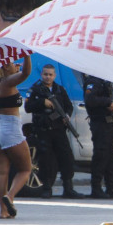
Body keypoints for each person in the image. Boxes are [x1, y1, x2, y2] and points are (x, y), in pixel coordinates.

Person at [24, 64, 84, 199]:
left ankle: (68, 188)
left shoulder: (59, 89)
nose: (48, 77)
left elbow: (68, 106)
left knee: (66, 158)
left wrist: (67, 116)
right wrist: (42, 103)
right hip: (43, 130)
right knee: (46, 160)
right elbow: (28, 107)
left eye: (50, 74)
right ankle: (46, 188)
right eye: (45, 74)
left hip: (59, 130)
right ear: (41, 74)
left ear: (54, 76)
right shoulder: (35, 90)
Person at [0, 56, 32, 218]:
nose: (18, 65)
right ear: (6, 67)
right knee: (25, 169)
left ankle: (3, 212)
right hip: (9, 127)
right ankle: (10, 196)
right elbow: (26, 73)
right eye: (14, 63)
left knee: (2, 173)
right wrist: (27, 54)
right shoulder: (8, 82)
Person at [83, 75, 113, 199]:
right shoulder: (93, 81)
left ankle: (111, 187)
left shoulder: (105, 82)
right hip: (100, 123)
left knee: (111, 157)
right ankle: (96, 188)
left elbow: (112, 100)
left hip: (109, 123)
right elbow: (90, 100)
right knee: (101, 156)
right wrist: (108, 102)